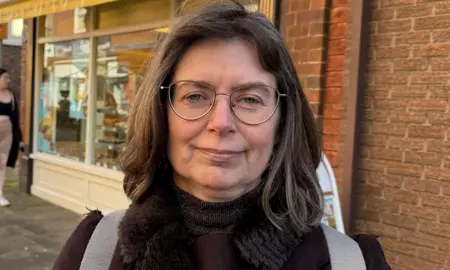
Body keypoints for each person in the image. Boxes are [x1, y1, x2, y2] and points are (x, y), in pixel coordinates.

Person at [53, 2, 391, 269]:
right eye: (196, 96)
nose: (221, 122)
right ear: (162, 113)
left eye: (250, 99)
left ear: (282, 124)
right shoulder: (94, 252)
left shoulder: (349, 263)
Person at [0, 68, 23, 207]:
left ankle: (0, 193)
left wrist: (19, 138)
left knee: (2, 164)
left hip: (7, 134)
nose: (7, 80)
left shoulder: (11, 95)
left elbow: (16, 118)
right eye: (5, 78)